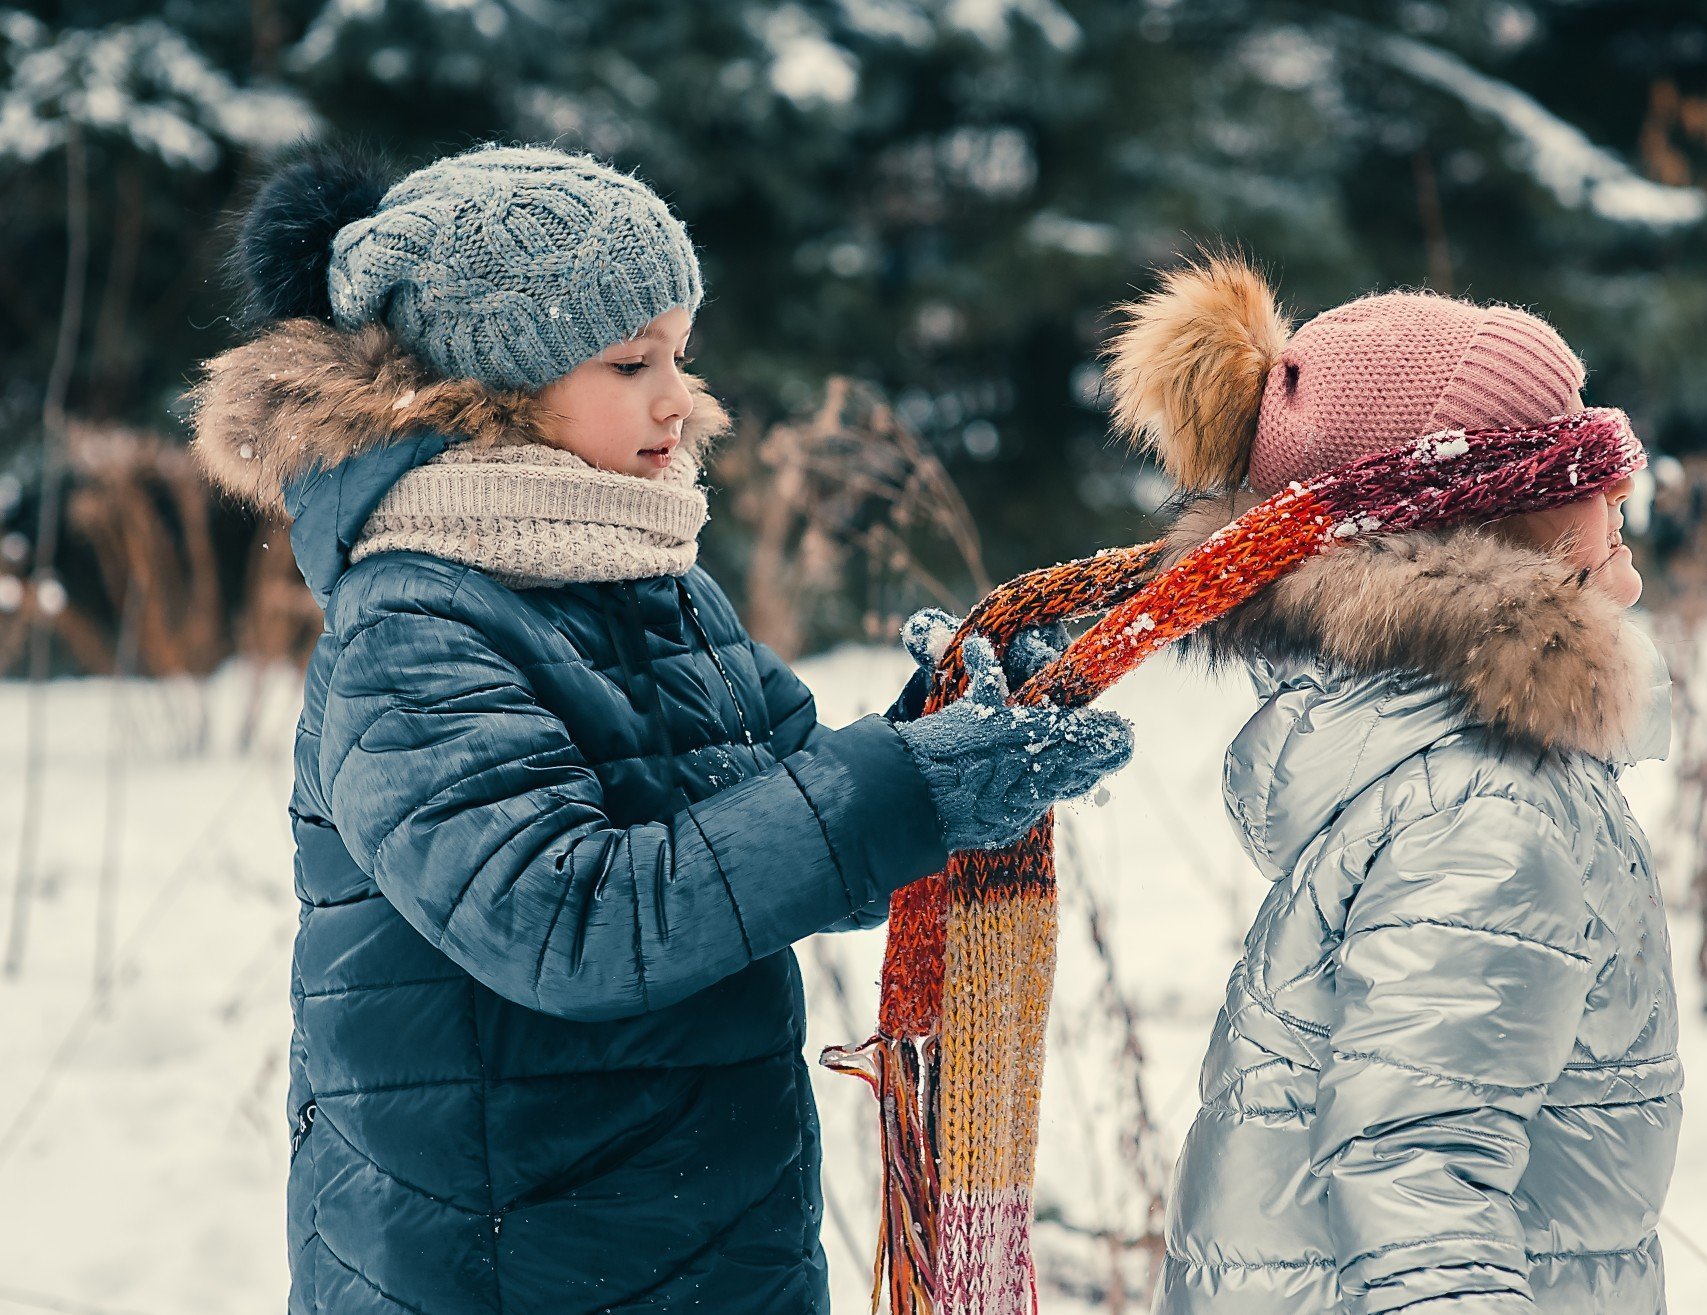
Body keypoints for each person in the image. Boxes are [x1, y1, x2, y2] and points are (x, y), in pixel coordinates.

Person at [187, 143, 1132, 1315]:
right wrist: (902, 791)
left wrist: (944, 738)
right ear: (489, 388)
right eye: (630, 360)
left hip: (705, 1231)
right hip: (504, 1261)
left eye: (679, 355)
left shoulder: (649, 576)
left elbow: (778, 826)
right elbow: (567, 918)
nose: (676, 399)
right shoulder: (414, 629)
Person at [1104, 257, 1680, 1314]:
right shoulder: (1486, 811)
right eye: (1600, 517)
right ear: (1498, 536)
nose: (1627, 572)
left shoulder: (1437, 776)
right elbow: (1416, 1184)